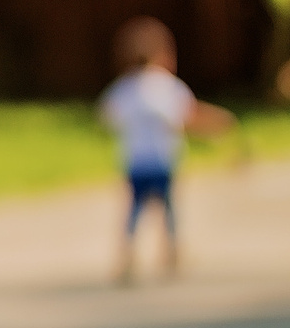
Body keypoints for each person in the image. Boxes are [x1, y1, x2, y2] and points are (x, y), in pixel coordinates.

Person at [98, 16, 235, 283]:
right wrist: (219, 124)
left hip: (136, 160)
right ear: (163, 54)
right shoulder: (167, 86)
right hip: (162, 159)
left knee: (135, 209)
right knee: (168, 207)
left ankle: (127, 253)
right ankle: (172, 250)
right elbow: (187, 115)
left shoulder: (124, 89)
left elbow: (106, 117)